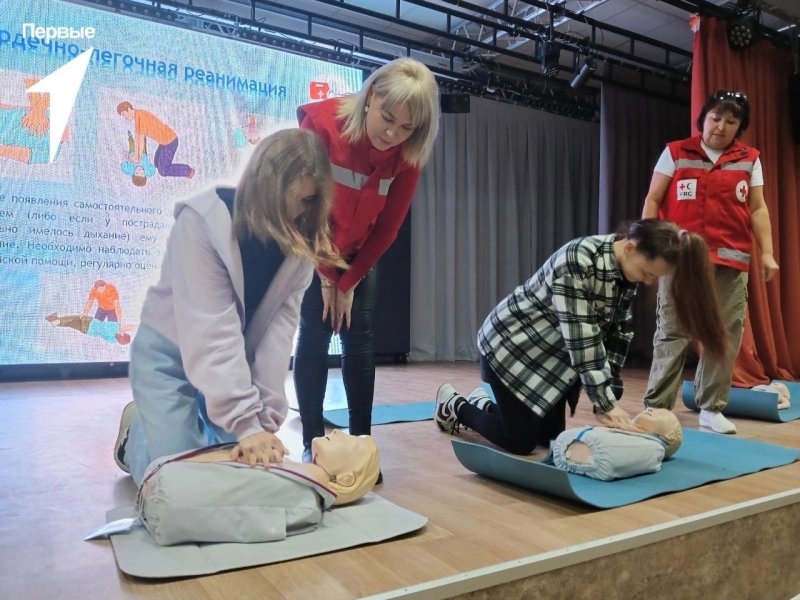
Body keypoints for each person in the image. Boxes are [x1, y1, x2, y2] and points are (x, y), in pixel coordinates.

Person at [113, 128, 344, 486]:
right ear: (259, 186)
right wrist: (245, 423)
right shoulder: (202, 222)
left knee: (232, 476)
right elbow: (211, 330)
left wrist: (264, 420)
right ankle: (137, 436)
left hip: (233, 359)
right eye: (283, 201)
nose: (292, 214)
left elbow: (277, 336)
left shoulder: (299, 250)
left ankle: (185, 431)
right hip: (169, 356)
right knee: (179, 482)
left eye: (305, 201)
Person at [435, 219, 727, 455]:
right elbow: (582, 339)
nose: (648, 281)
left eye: (654, 277)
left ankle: (485, 405)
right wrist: (605, 405)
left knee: (551, 440)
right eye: (647, 273)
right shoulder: (578, 259)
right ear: (630, 247)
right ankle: (455, 405)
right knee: (520, 443)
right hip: (509, 348)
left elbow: (619, 335)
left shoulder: (626, 273)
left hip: (549, 358)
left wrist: (610, 396)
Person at [293, 57, 440, 465]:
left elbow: (388, 228)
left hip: (358, 252)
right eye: (387, 118)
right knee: (315, 331)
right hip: (311, 244)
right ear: (371, 95)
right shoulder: (322, 125)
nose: (392, 134)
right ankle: (311, 442)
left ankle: (362, 444)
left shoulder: (408, 154)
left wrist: (348, 282)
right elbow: (303, 211)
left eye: (406, 128)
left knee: (359, 336)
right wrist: (327, 277)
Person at [641, 90, 779, 434]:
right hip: (681, 259)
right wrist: (649, 246)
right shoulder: (676, 152)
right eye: (715, 118)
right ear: (703, 119)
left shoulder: (750, 159)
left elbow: (757, 209)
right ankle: (656, 408)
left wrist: (767, 252)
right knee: (672, 331)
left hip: (731, 261)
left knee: (723, 334)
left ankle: (711, 407)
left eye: (731, 121)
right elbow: (653, 199)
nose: (721, 126)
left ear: (740, 127)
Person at [137, 430, 380, 545]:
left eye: (350, 441)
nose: (338, 431)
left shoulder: (309, 490)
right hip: (164, 485)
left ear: (346, 479)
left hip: (166, 490)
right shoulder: (302, 483)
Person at [550, 407, 683, 481]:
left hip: (575, 448)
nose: (650, 408)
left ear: (669, 436)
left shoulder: (654, 449)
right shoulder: (621, 432)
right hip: (575, 447)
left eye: (660, 413)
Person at [116, 101, 195, 178]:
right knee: (156, 164)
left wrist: (137, 158)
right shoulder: (138, 116)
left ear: (129, 109)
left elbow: (141, 140)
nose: (124, 117)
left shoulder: (141, 116)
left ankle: (188, 171)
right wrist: (137, 157)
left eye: (123, 114)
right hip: (164, 142)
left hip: (170, 142)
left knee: (163, 171)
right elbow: (137, 139)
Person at [45, 312, 134, 345]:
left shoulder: (117, 327)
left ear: (123, 334)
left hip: (90, 322)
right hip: (87, 331)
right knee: (70, 324)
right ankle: (56, 321)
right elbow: (119, 334)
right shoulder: (112, 341)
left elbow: (127, 327)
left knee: (73, 319)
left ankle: (56, 321)